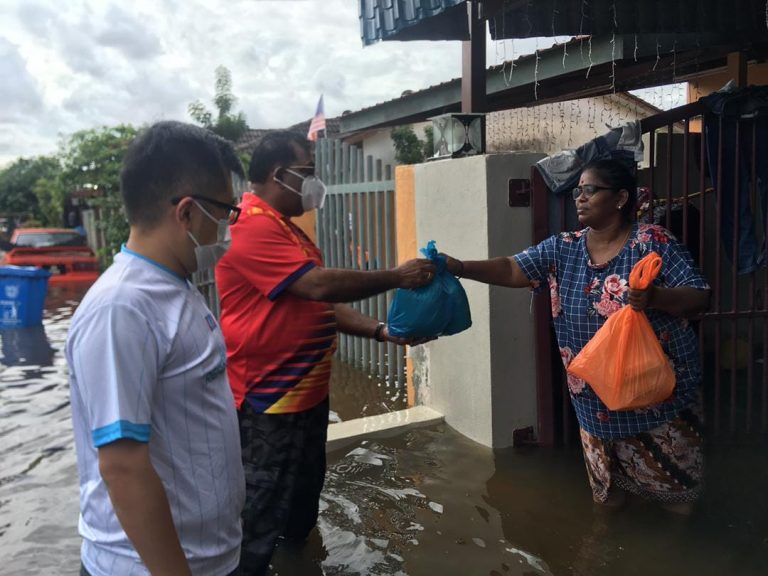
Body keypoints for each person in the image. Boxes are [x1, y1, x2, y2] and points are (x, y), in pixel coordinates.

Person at [215, 131, 435, 575]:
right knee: (258, 515)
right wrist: (396, 276)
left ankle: (299, 561)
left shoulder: (285, 228)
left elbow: (318, 303)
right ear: (279, 175)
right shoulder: (250, 225)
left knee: (299, 505)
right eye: (309, 172)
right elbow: (316, 284)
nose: (316, 183)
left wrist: (379, 330)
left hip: (307, 398)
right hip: (268, 402)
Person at [443, 159, 711, 514]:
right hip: (594, 399)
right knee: (608, 498)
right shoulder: (563, 247)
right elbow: (512, 267)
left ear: (619, 199)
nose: (579, 199)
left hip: (657, 395)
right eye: (577, 191)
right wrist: (460, 268)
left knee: (676, 499)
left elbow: (699, 297)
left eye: (590, 190)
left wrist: (656, 297)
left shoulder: (653, 242)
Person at [66, 121, 246, 576]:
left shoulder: (175, 287)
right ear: (186, 213)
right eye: (226, 211)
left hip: (206, 555)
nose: (228, 227)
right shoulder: (122, 309)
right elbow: (123, 467)